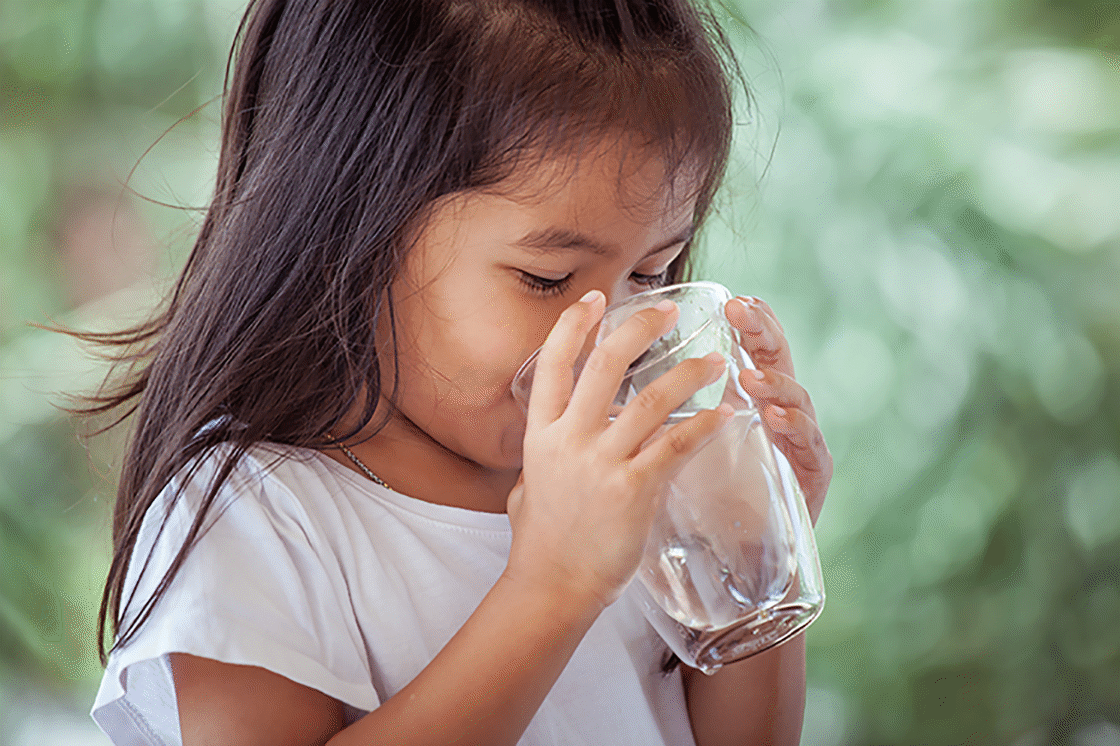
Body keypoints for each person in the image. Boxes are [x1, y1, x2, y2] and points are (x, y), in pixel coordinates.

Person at [86, 0, 833, 744]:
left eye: (651, 270)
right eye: (547, 278)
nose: (612, 332)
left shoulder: (628, 483)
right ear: (354, 227)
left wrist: (753, 560)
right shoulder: (256, 511)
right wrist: (554, 586)